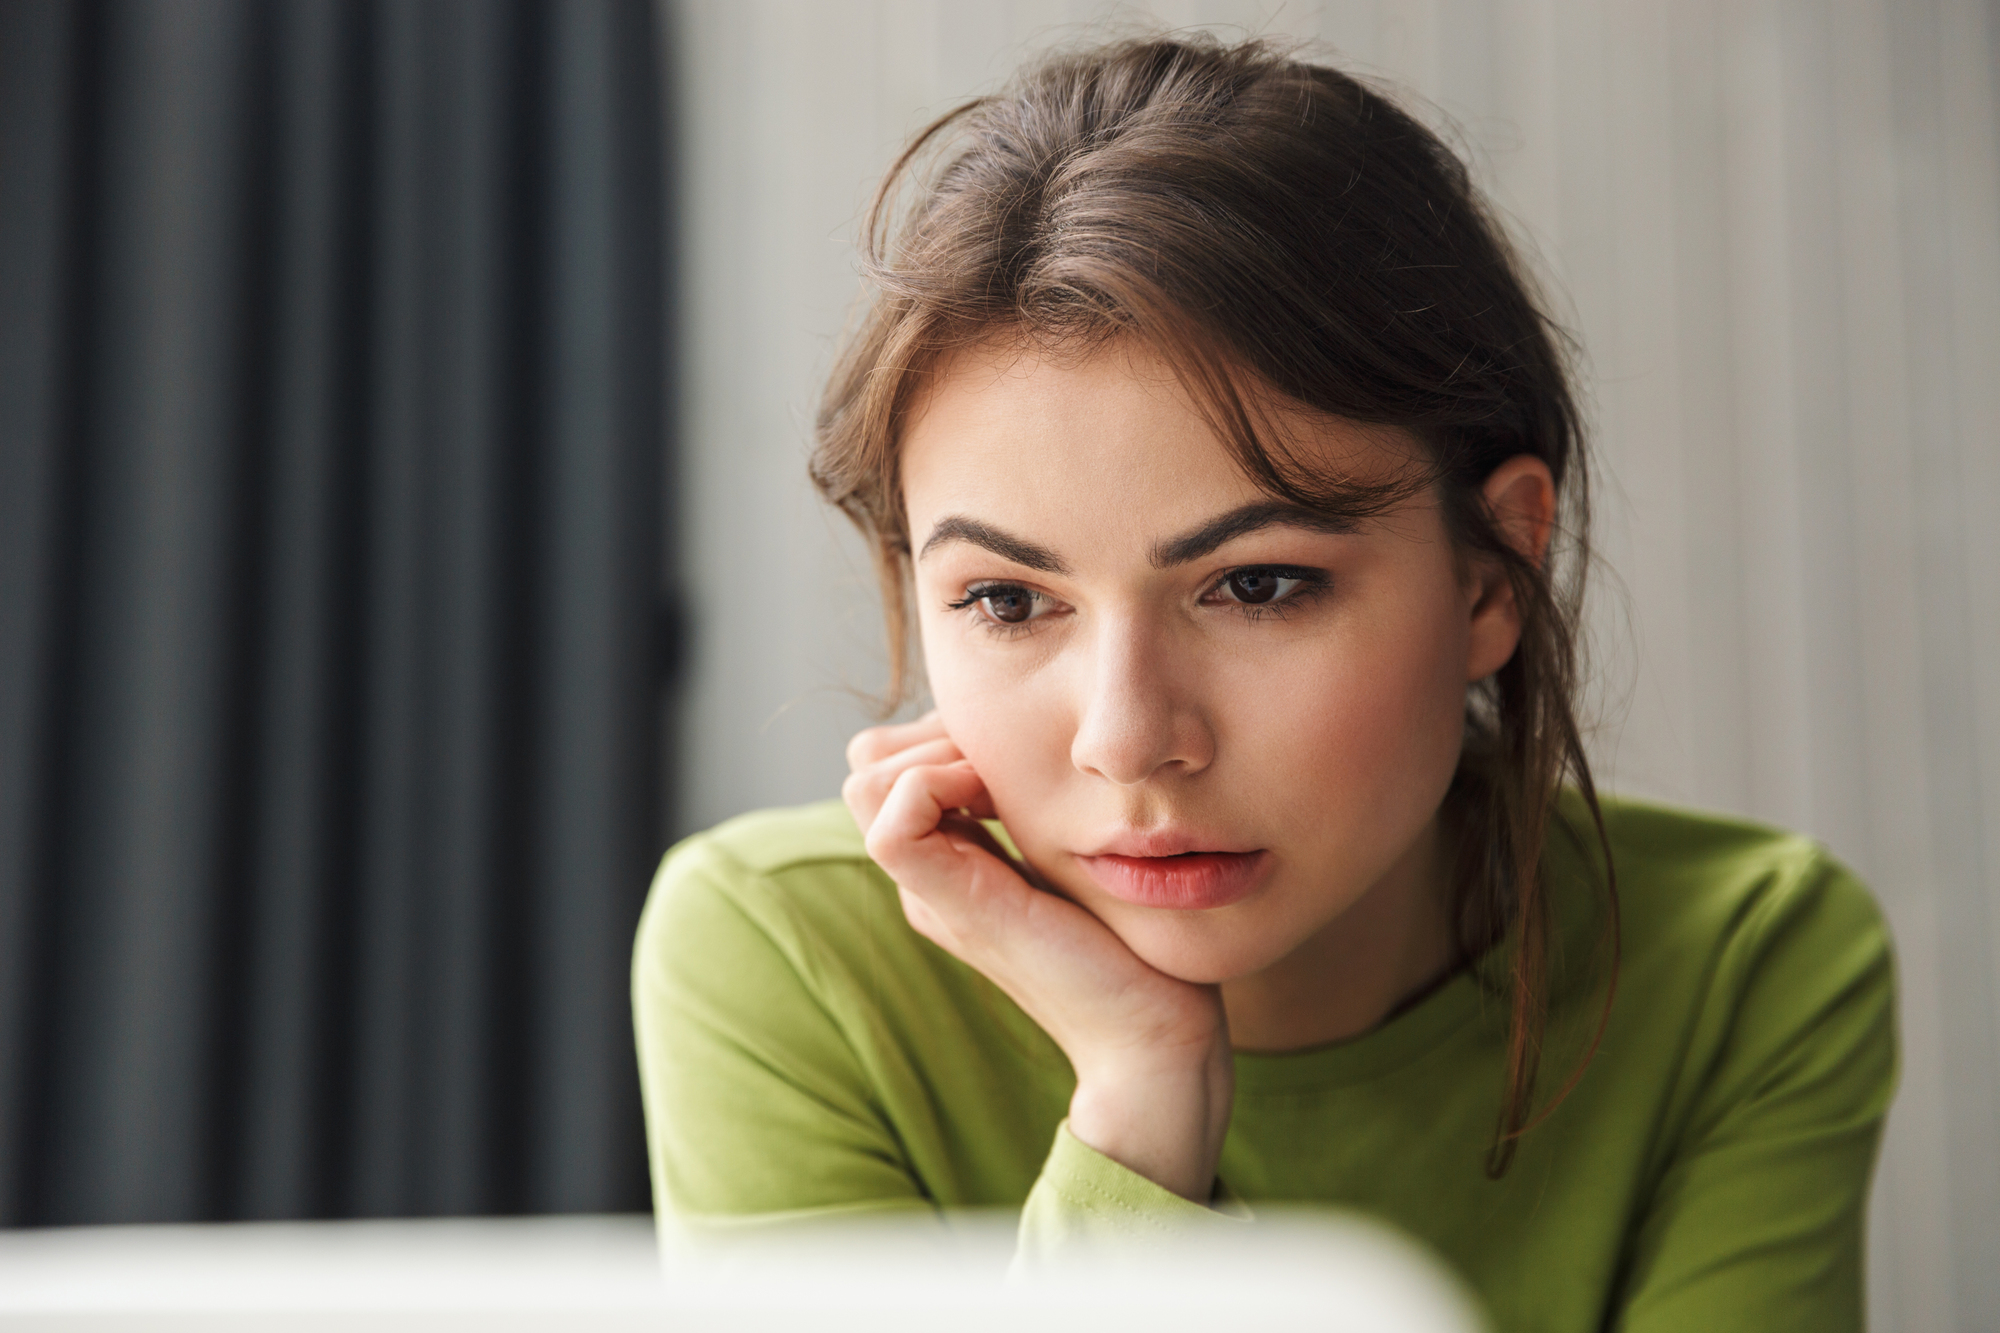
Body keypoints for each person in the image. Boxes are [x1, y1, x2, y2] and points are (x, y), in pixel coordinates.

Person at [633, 35, 1896, 1332]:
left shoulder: (1746, 968)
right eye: (1008, 601)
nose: (1128, 740)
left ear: (1490, 578)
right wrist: (1140, 1101)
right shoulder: (787, 960)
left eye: (1257, 586)